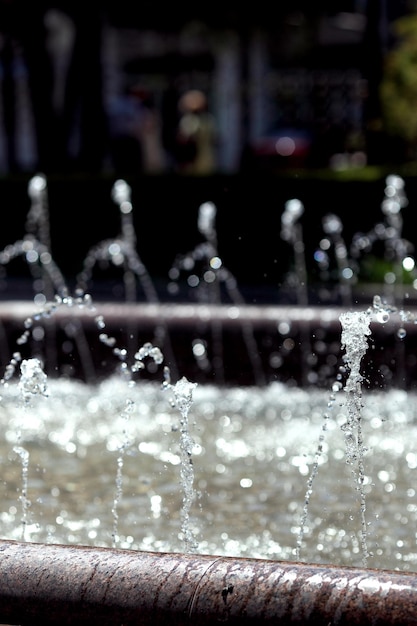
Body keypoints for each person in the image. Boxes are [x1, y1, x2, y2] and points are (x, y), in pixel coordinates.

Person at [175, 89, 217, 175]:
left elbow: (184, 141)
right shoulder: (209, 119)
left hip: (195, 163)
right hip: (207, 160)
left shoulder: (189, 120)